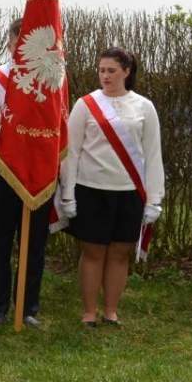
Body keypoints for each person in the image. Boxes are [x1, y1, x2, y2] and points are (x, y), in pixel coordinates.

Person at [60, 47, 164, 326]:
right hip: (90, 189)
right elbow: (72, 152)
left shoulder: (144, 107)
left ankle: (111, 311)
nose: (105, 76)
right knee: (93, 252)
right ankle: (89, 311)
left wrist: (154, 199)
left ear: (126, 72)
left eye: (111, 71)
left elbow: (153, 154)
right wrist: (68, 194)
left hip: (129, 192)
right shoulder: (86, 104)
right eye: (101, 70)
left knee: (119, 253)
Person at [0, 19, 50, 326]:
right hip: (2, 163)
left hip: (37, 163)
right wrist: (26, 108)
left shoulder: (50, 80)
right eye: (19, 43)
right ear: (10, 44)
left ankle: (27, 305)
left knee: (34, 239)